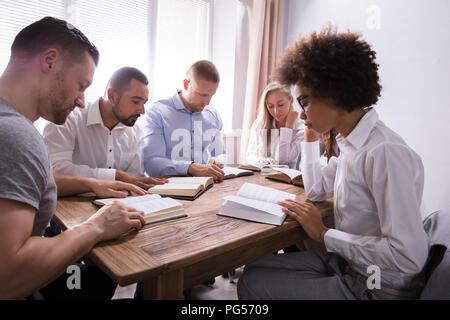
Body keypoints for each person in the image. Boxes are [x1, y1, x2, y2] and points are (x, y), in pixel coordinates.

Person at [237, 26, 429, 300]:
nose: (301, 114)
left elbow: (408, 256)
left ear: (334, 93)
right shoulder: (352, 144)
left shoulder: (384, 152)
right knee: (255, 271)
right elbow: (315, 191)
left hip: (377, 284)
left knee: (251, 285)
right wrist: (309, 136)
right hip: (353, 265)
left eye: (304, 102)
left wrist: (324, 233)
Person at [0, 17, 146, 299]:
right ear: (50, 61)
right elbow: (8, 275)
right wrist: (98, 225)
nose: (81, 100)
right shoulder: (17, 135)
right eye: (81, 85)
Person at [44, 66, 167, 190]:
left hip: (119, 201)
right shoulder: (67, 119)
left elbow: (134, 177)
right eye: (135, 102)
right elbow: (56, 170)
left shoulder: (136, 130)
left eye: (144, 103)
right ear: (112, 96)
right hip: (69, 204)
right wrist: (115, 175)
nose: (142, 110)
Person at [143, 60, 226, 182]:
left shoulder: (212, 115)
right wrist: (190, 168)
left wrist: (218, 160)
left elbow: (221, 153)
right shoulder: (157, 112)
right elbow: (151, 163)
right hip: (168, 187)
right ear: (186, 84)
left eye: (211, 95)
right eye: (202, 95)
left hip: (206, 186)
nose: (207, 102)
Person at [246, 81, 304, 169]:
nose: (276, 111)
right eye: (271, 106)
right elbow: (249, 155)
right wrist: (260, 159)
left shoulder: (302, 128)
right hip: (263, 176)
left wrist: (288, 126)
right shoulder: (260, 124)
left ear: (291, 100)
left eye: (281, 105)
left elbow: (282, 160)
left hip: (287, 179)